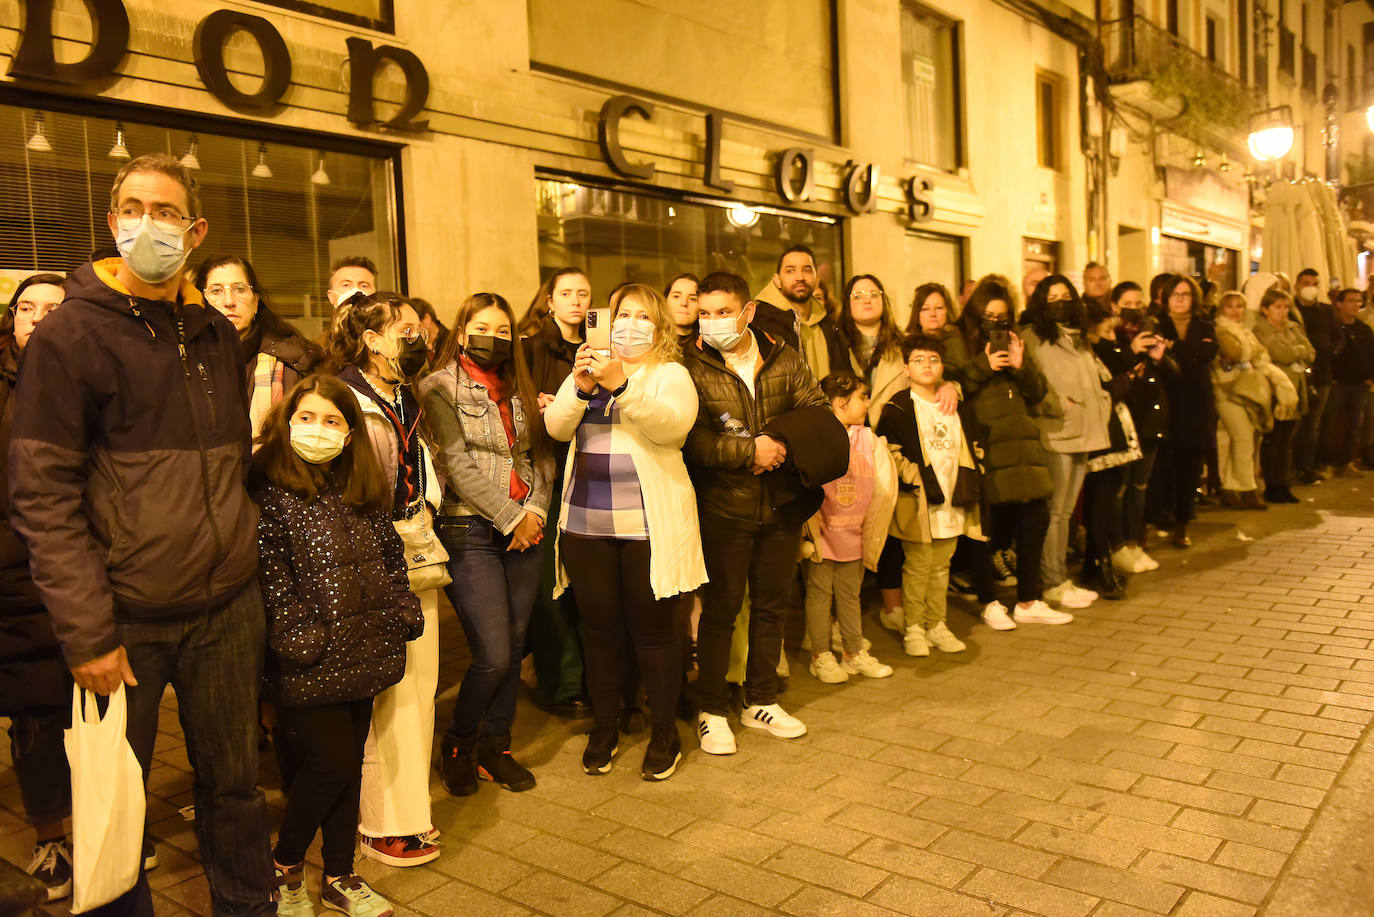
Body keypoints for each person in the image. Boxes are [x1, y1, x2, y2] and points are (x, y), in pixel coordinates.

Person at [7, 153, 272, 914]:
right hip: (125, 616)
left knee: (234, 788)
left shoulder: (216, 333)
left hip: (226, 605)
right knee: (117, 803)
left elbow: (229, 465)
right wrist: (87, 632)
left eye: (164, 211)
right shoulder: (69, 337)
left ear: (195, 230)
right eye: (132, 207)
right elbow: (42, 495)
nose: (146, 223)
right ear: (113, 220)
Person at [251, 374, 422, 917]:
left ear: (349, 435)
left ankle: (341, 875)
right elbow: (269, 575)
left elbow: (393, 561)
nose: (318, 430)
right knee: (330, 765)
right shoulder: (268, 491)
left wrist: (403, 613)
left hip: (367, 649)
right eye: (307, 418)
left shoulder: (361, 488)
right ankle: (286, 865)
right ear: (286, 422)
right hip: (310, 660)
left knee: (347, 769)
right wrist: (302, 638)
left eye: (332, 421)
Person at [543, 283, 705, 779]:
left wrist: (621, 386)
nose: (630, 323)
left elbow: (671, 428)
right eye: (622, 314)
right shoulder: (589, 369)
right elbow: (555, 427)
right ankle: (606, 726)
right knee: (599, 630)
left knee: (654, 633)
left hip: (647, 528)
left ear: (657, 326)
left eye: (641, 316)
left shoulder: (669, 373)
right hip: (586, 526)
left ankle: (663, 732)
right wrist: (581, 385)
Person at [684, 270, 832, 755]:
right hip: (724, 505)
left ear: (747, 312)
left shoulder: (783, 358)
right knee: (722, 610)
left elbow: (816, 408)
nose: (712, 323)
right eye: (705, 314)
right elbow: (693, 439)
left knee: (772, 606)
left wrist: (779, 443)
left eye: (723, 312)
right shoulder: (691, 365)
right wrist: (749, 451)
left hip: (781, 504)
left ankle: (761, 699)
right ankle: (710, 708)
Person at [420, 292, 554, 794]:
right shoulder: (437, 387)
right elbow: (454, 463)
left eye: (503, 331)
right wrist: (511, 517)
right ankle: (457, 742)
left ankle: (495, 746)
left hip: (526, 527)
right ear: (461, 330)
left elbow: (539, 452)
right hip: (468, 527)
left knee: (515, 647)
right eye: (482, 327)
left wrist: (535, 511)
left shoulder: (518, 387)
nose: (493, 338)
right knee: (493, 652)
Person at [328, 291, 444, 866]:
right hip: (370, 557)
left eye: (416, 327)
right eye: (402, 329)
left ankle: (411, 812)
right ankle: (378, 823)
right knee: (385, 693)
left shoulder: (404, 394)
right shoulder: (343, 397)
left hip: (415, 548)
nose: (416, 336)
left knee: (419, 687)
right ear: (370, 339)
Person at [1, 273, 73, 901]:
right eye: (28, 309)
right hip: (14, 574)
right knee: (36, 712)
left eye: (55, 308)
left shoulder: (90, 381)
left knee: (96, 711)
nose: (39, 318)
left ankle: (109, 822)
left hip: (88, 565)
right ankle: (52, 835)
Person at [948, 278, 1068, 628]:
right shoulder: (958, 341)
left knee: (1035, 521)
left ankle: (1030, 599)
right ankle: (990, 601)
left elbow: (1037, 392)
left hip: (1023, 443)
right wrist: (985, 364)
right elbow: (954, 386)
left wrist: (1019, 364)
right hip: (984, 443)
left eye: (1002, 316)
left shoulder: (1016, 342)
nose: (996, 323)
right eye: (988, 315)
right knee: (986, 528)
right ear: (975, 313)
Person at [876, 333, 984, 656]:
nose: (927, 365)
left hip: (954, 498)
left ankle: (937, 624)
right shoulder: (897, 408)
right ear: (906, 367)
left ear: (943, 366)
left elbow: (974, 447)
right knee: (918, 566)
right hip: (919, 503)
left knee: (941, 567)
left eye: (933, 359)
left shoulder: (957, 404)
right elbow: (887, 452)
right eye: (919, 360)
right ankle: (914, 628)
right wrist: (916, 480)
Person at [520, 267, 594, 719]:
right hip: (547, 470)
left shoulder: (604, 350)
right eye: (565, 293)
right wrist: (536, 404)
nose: (574, 301)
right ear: (549, 301)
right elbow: (514, 403)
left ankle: (592, 677)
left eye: (583, 293)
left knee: (589, 581)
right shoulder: (530, 350)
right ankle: (561, 682)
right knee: (550, 581)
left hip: (594, 469)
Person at [1019, 275, 1110, 608]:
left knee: (1067, 511)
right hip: (1056, 432)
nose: (1060, 302)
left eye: (1065, 296)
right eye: (1052, 297)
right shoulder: (1032, 337)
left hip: (1084, 430)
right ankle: (1052, 579)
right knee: (1055, 512)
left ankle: (1060, 576)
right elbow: (1031, 384)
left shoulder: (1079, 338)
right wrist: (1057, 405)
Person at [802, 372, 895, 682]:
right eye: (862, 396)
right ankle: (821, 655)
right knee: (819, 595)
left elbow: (881, 489)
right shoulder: (817, 436)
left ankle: (854, 652)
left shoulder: (867, 438)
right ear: (840, 401)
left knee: (850, 595)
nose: (868, 402)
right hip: (823, 534)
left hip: (854, 534)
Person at [194, 255, 323, 438]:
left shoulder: (294, 362)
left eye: (239, 289)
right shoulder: (185, 361)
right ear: (202, 301)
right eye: (216, 291)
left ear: (255, 301)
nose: (229, 301)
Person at [1080, 301, 1144, 600]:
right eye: (1106, 330)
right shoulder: (1085, 354)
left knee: (1105, 498)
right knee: (1101, 501)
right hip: (1100, 437)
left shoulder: (1096, 353)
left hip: (1111, 434)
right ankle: (1097, 561)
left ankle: (1097, 559)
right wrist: (1128, 379)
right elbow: (1101, 393)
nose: (1110, 336)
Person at [1106, 282, 1170, 572]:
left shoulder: (1151, 331)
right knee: (1120, 487)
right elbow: (1113, 375)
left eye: (1137, 301)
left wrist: (1159, 356)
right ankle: (1117, 546)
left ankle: (1134, 544)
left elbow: (1173, 376)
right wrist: (1131, 350)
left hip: (1150, 421)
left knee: (1139, 486)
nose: (1133, 308)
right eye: (1126, 302)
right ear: (1114, 306)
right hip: (1123, 422)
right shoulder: (1111, 337)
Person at [1213, 292, 1296, 508]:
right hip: (1226, 390)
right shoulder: (1220, 329)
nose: (1235, 311)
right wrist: (1250, 354)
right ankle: (1248, 489)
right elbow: (1235, 352)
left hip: (1246, 390)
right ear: (1221, 309)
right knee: (1243, 439)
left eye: (1240, 306)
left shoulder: (1243, 331)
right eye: (1230, 306)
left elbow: (1261, 355)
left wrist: (1250, 354)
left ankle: (1230, 489)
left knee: (1245, 440)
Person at [1154, 275, 1219, 548]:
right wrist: (1186, 351)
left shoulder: (1204, 325)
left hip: (1195, 405)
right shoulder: (1156, 324)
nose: (1180, 299)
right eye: (1175, 295)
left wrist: (1173, 346)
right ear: (1166, 299)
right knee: (1160, 468)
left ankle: (1183, 524)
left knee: (1189, 468)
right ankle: (1156, 519)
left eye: (1185, 294)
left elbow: (1206, 354)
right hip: (1165, 402)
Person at [750, 244, 848, 380]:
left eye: (807, 270)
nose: (799, 277)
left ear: (817, 279)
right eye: (790, 271)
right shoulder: (760, 323)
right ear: (777, 280)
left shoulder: (828, 323)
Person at [1253, 287, 1314, 503]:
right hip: (1275, 389)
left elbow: (1311, 352)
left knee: (1287, 440)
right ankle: (1272, 485)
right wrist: (1297, 352)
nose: (1283, 311)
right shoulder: (1261, 330)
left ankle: (1283, 483)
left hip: (1296, 388)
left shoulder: (1293, 327)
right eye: (1277, 307)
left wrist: (1297, 352)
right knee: (1274, 438)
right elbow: (1281, 353)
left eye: (1286, 306)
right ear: (1265, 309)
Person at [1320, 289, 1374, 476]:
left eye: (1359, 301)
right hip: (1337, 383)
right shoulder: (1333, 328)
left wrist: (1370, 378)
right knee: (1330, 424)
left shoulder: (1363, 329)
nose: (1355, 305)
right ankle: (1326, 463)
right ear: (1339, 304)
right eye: (1351, 301)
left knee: (1354, 426)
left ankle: (1346, 462)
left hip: (1360, 384)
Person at [1293, 268, 1336, 482]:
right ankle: (1291, 466)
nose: (1310, 287)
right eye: (1305, 283)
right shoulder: (1291, 310)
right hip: (1296, 373)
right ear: (1296, 286)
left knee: (1313, 423)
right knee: (1295, 421)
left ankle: (1305, 466)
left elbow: (1338, 336)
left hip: (1322, 374)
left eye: (1314, 284)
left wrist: (1331, 351)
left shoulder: (1326, 311)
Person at [411, 296, 450, 363]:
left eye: (414, 326)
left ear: (427, 319)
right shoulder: (416, 343)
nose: (412, 332)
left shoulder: (451, 341)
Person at [665, 273, 701, 344]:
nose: (684, 303)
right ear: (665, 300)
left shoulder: (710, 349)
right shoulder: (650, 343)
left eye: (692, 299)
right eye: (676, 296)